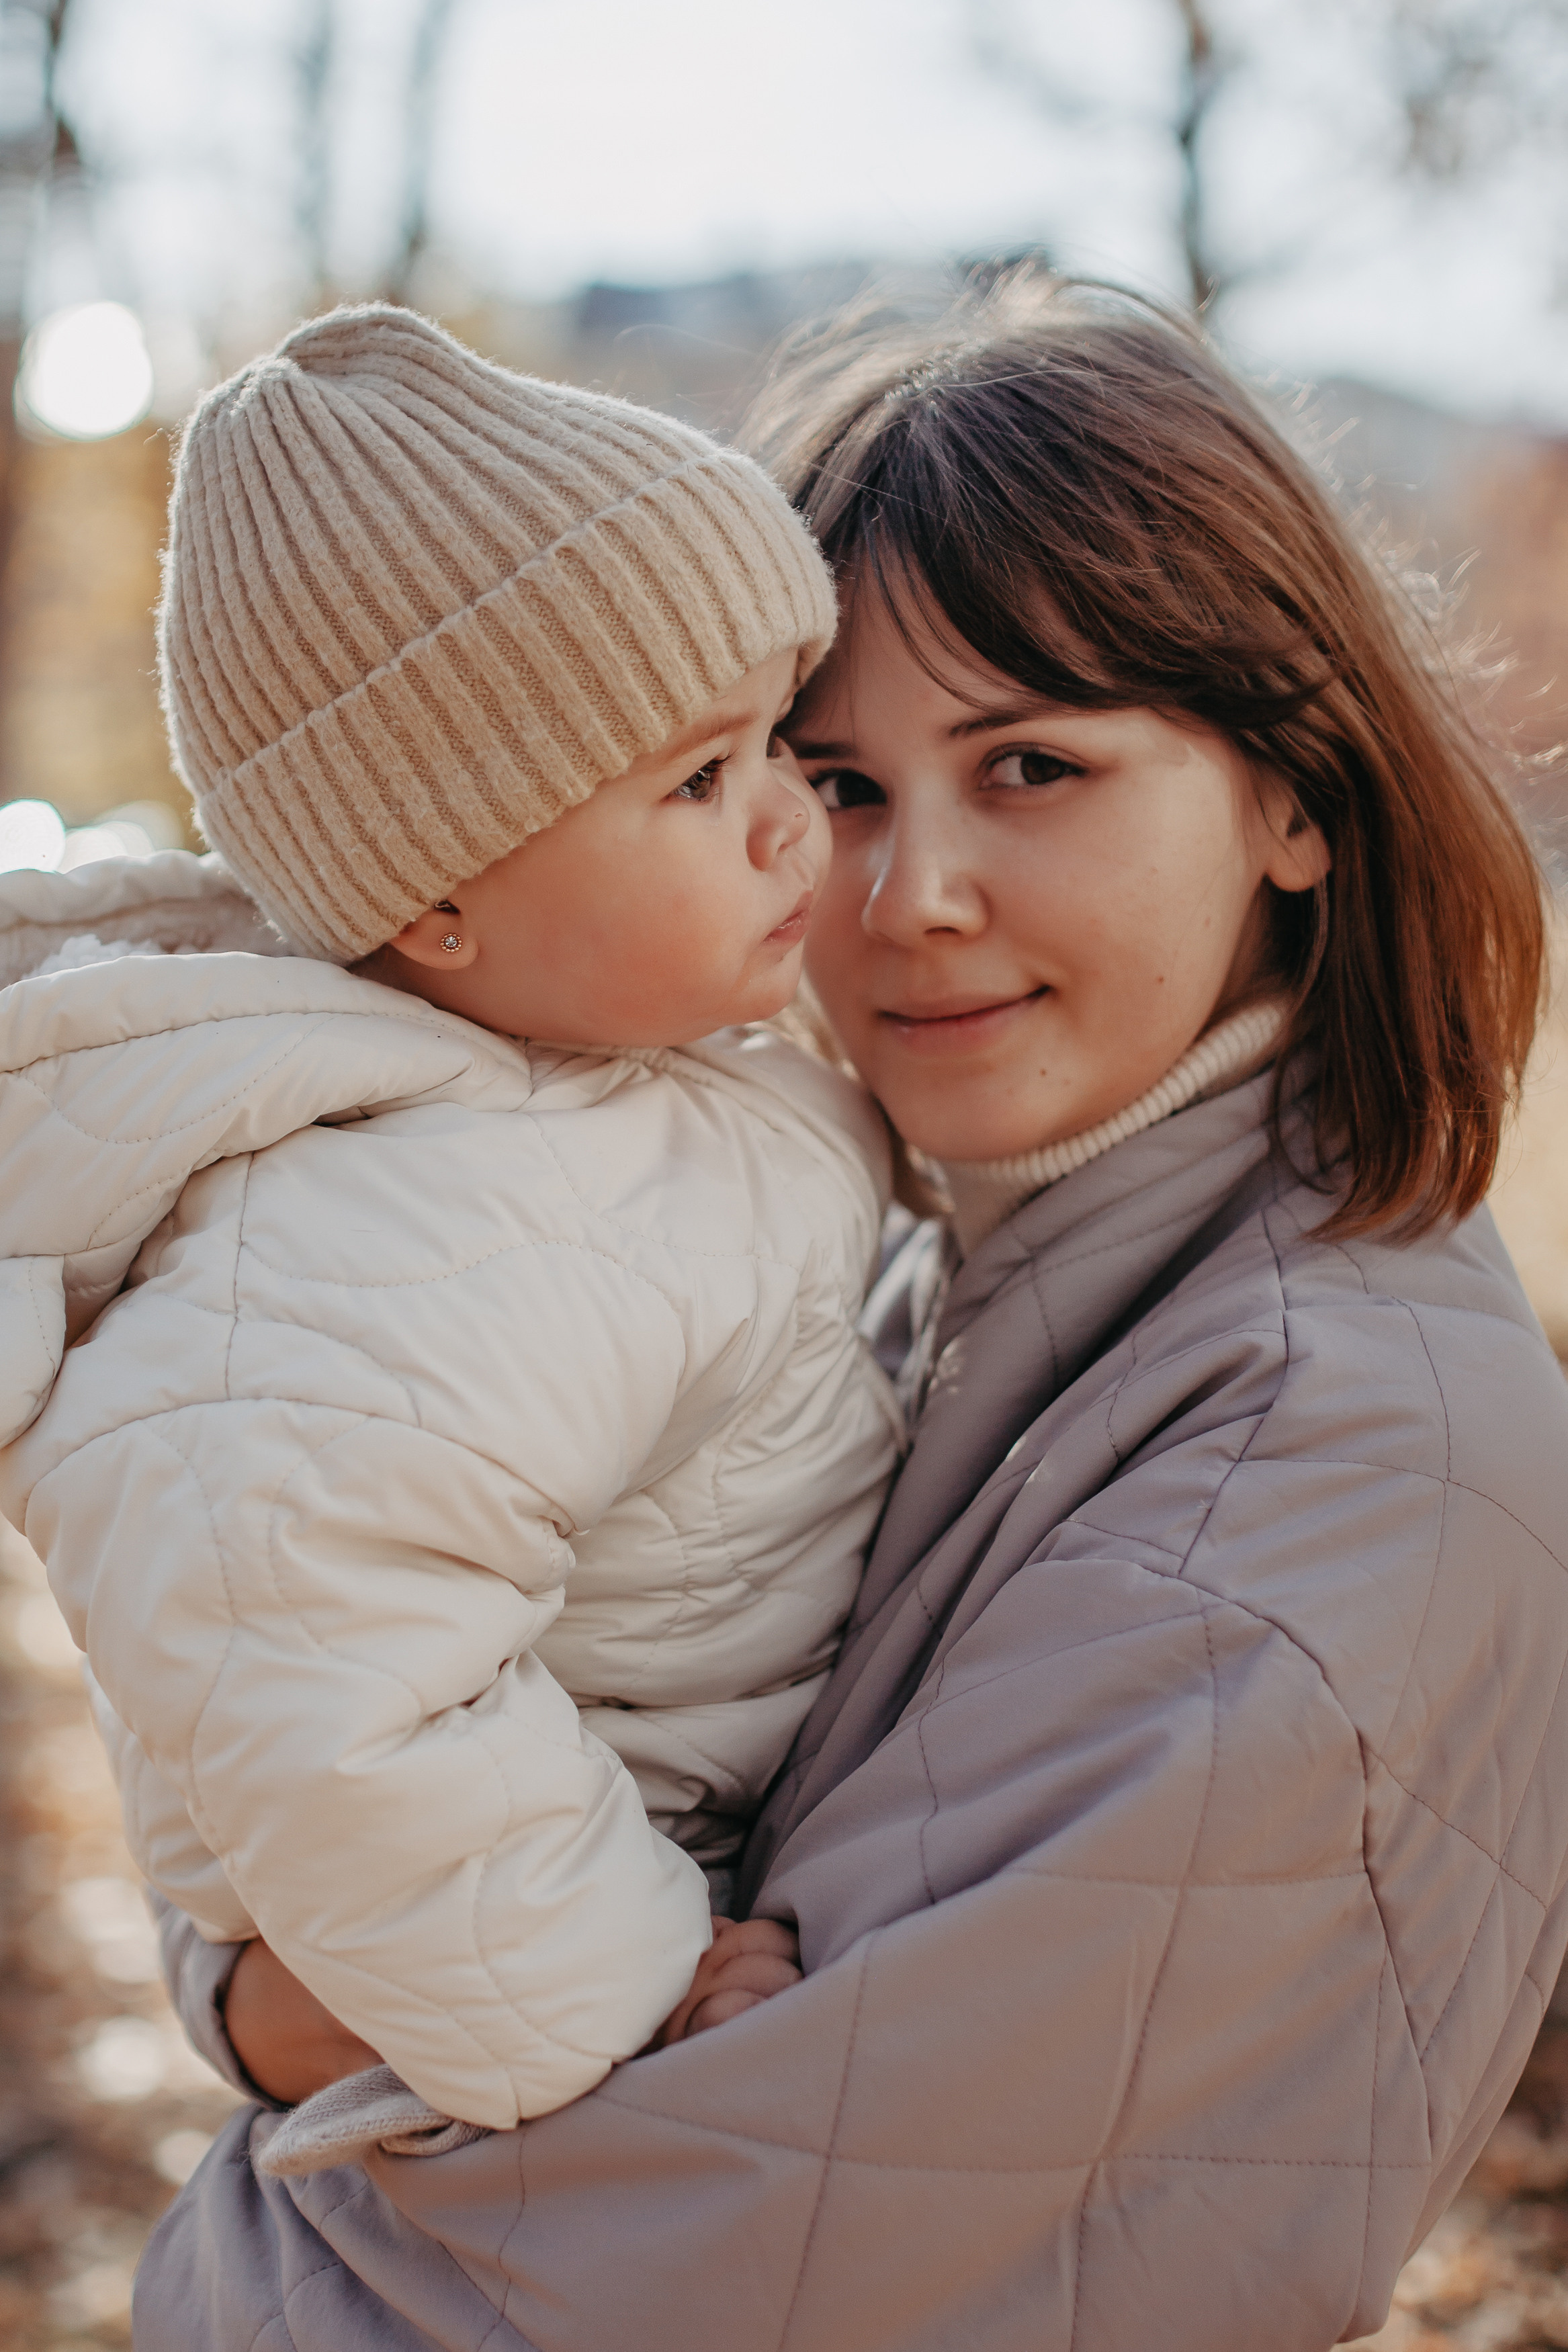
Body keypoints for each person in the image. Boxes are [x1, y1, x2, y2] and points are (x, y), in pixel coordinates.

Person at [117, 271, 1568, 2348]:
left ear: (1297, 794)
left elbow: (648, 2261)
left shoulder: (1309, 1480)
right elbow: (314, 1789)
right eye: (835, 784)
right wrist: (278, 1996)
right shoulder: (898, 1258)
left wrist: (297, 2064)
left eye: (1033, 765)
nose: (906, 899)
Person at [0, 304, 907, 2175]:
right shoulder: (408, 1210)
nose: (789, 820)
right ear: (438, 899)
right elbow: (299, 1643)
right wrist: (633, 1982)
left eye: (779, 740)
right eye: (698, 779)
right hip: (570, 1962)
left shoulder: (631, 1080)